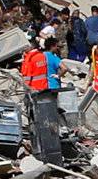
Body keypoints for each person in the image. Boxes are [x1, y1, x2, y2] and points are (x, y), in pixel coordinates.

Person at [19, 31, 64, 161]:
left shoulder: (30, 58)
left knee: (37, 125)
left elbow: (27, 78)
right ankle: (51, 150)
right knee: (49, 121)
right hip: (44, 91)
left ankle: (40, 152)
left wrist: (26, 93)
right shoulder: (40, 56)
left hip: (34, 93)